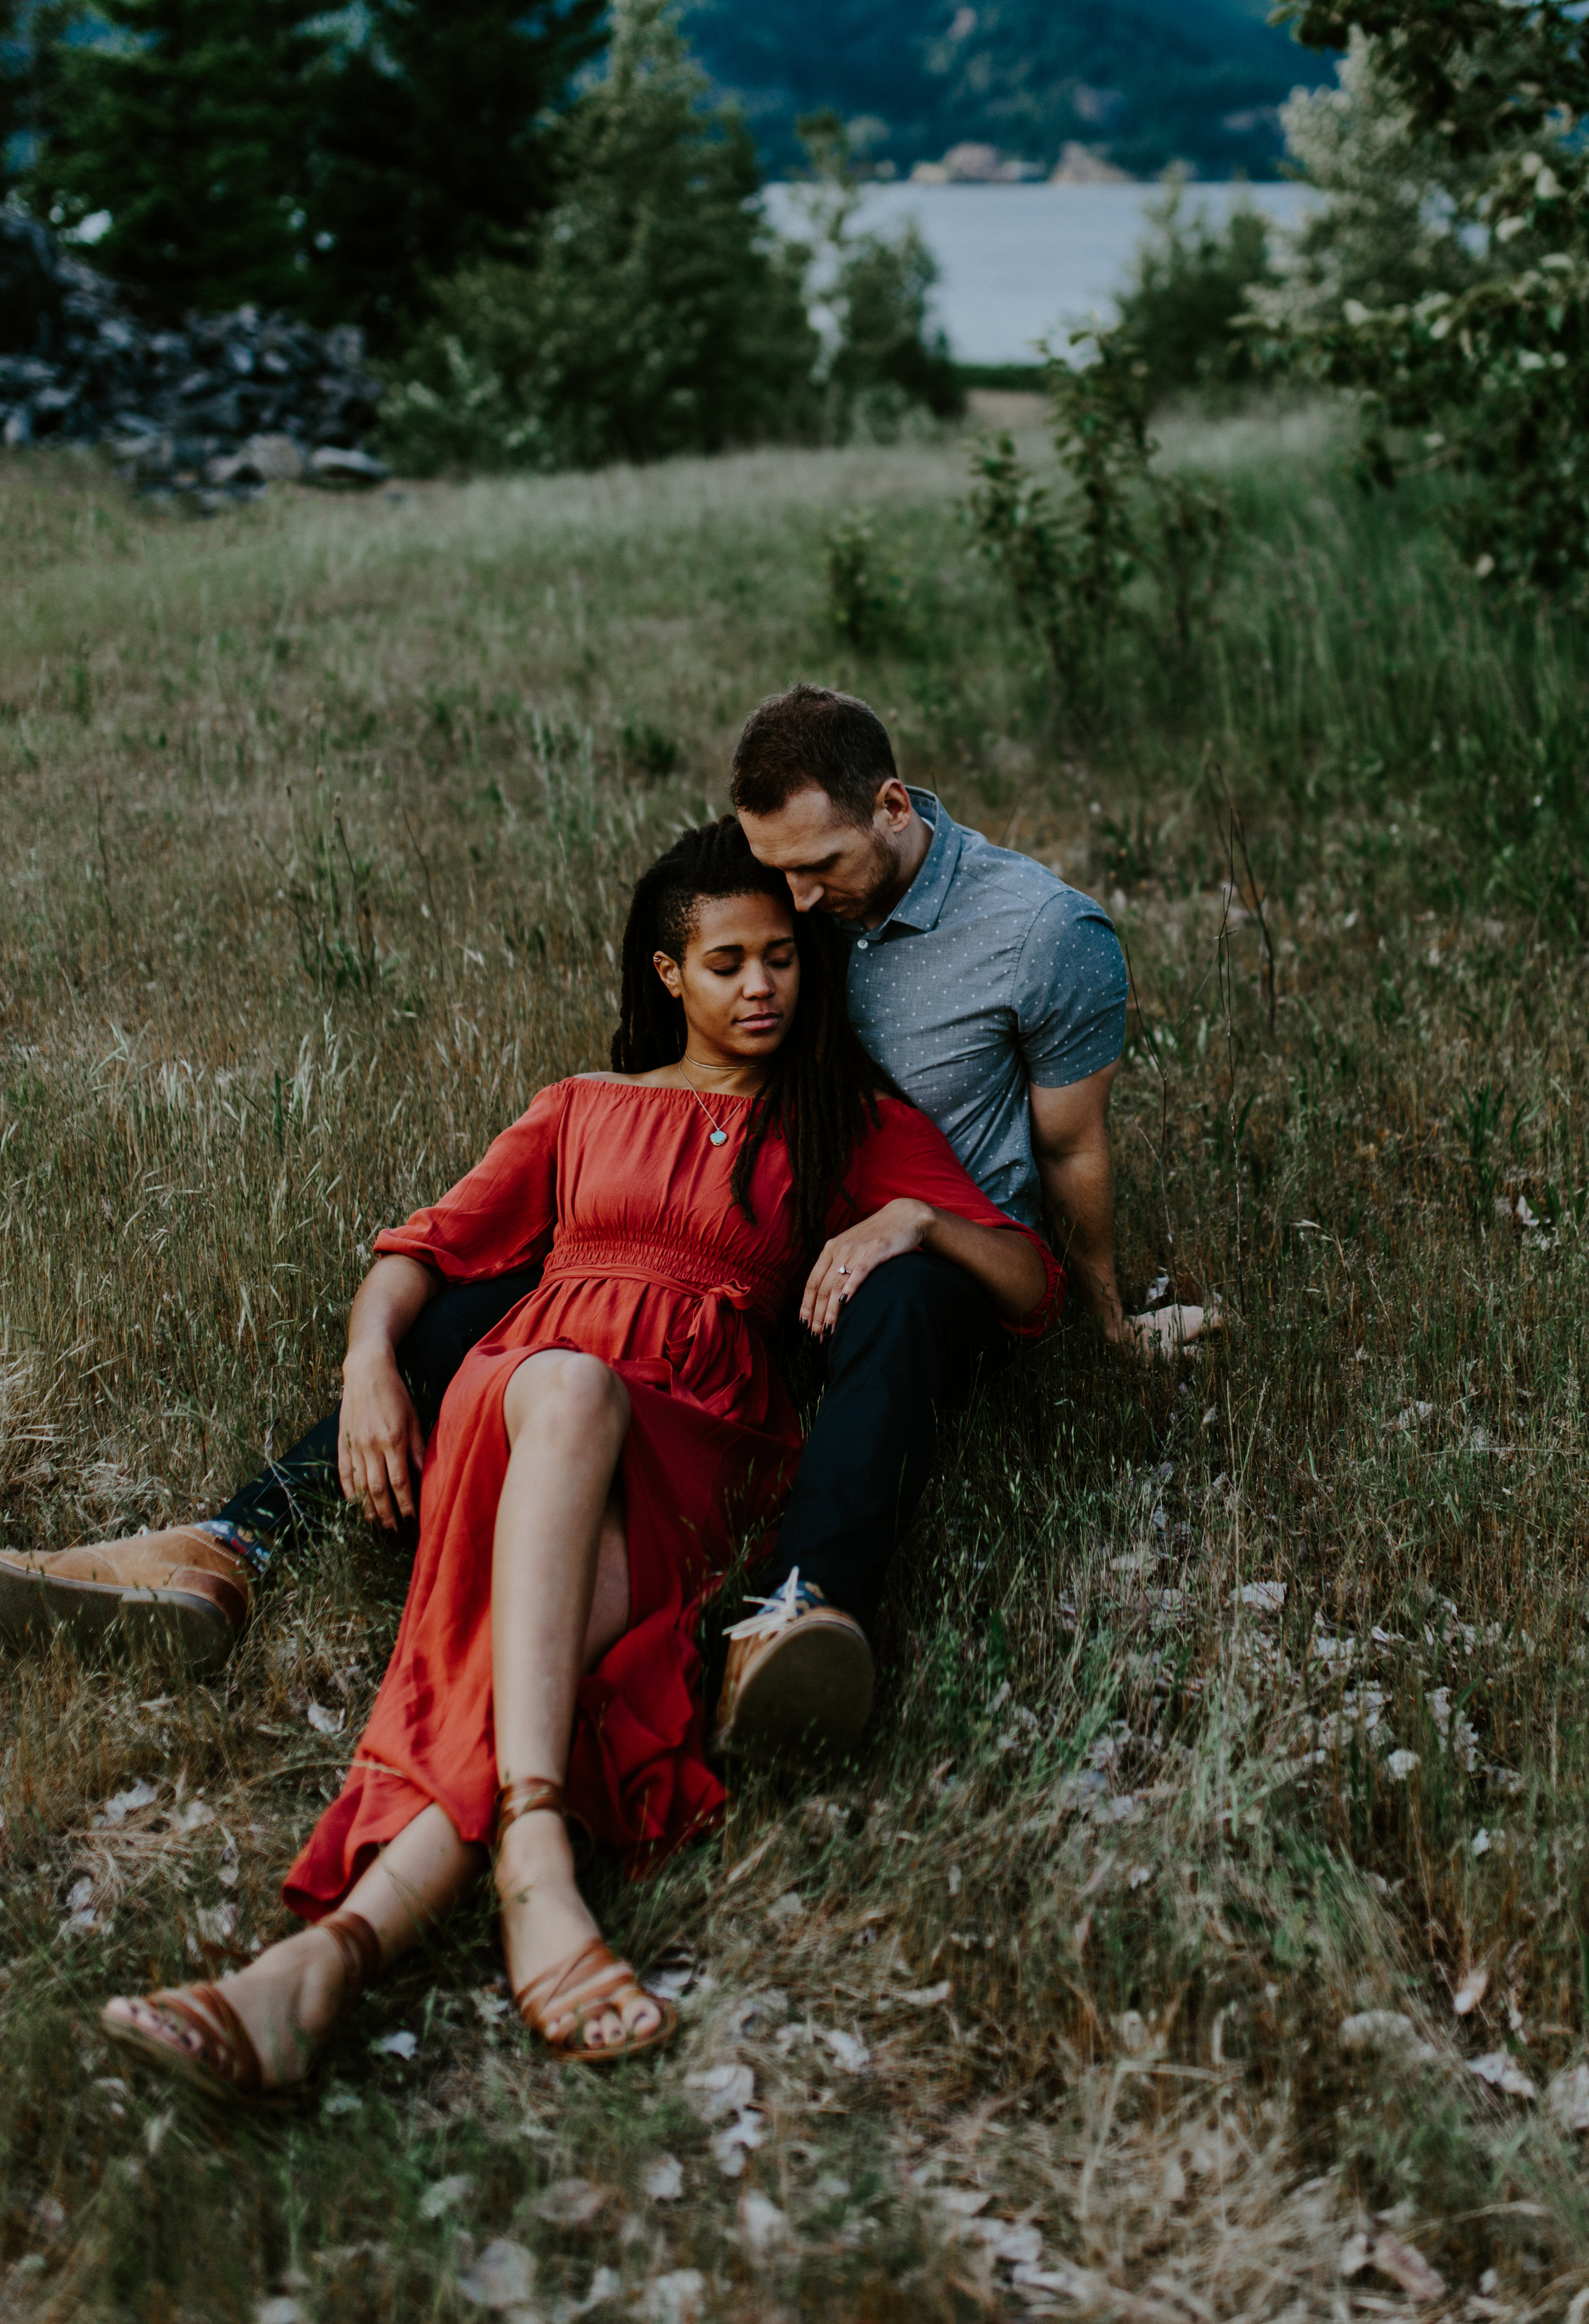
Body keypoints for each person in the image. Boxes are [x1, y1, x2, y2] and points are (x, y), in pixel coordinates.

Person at [1, 686, 1189, 1743]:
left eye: (814, 880)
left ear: (891, 807)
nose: (797, 909)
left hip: (908, 1251)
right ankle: (236, 1542)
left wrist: (1100, 1314)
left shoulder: (1036, 939)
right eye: (774, 894)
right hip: (745, 1243)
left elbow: (1070, 1147)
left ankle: (803, 1605)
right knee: (517, 1291)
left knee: (901, 1288)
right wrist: (374, 1355)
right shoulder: (775, 933)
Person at [100, 819, 1054, 2101]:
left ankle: (314, 1966)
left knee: (515, 1663)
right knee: (561, 1383)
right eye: (727, 963)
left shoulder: (840, 1120)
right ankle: (533, 1859)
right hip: (529, 1414)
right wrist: (369, 1365)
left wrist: (916, 1217)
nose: (763, 986)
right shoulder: (580, 1108)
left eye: (783, 958)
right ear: (670, 977)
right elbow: (423, 1250)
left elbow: (1026, 1280)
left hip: (696, 1443)